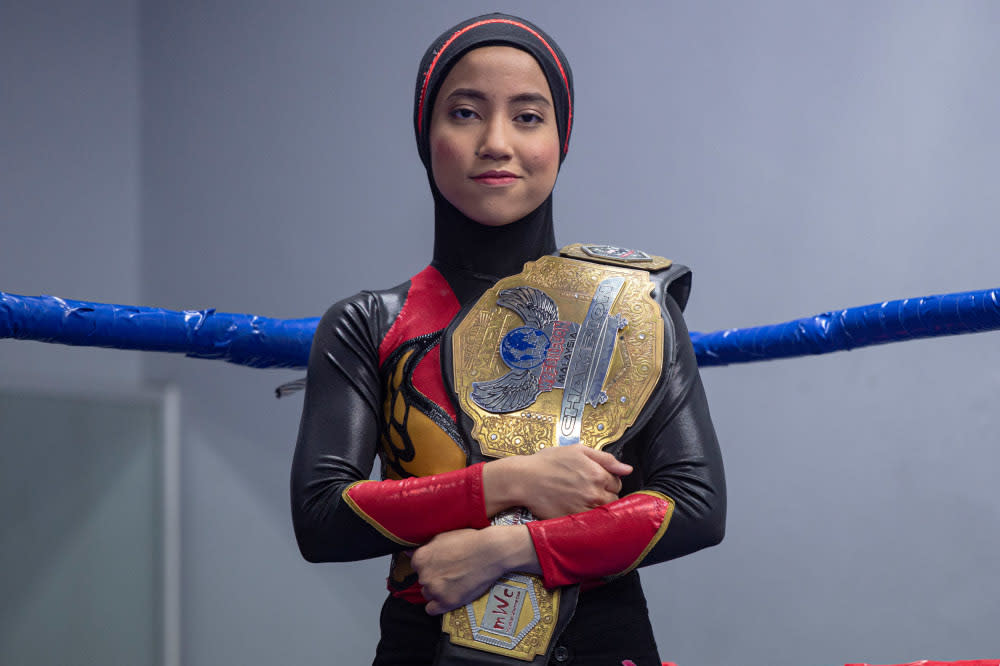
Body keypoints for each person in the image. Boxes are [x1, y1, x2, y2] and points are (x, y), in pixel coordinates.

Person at [291, 13, 725, 666]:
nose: (496, 142)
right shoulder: (370, 323)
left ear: (561, 138)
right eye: (465, 113)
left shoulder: (630, 305)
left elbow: (697, 506)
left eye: (527, 117)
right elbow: (321, 519)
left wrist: (507, 548)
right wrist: (508, 482)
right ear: (425, 134)